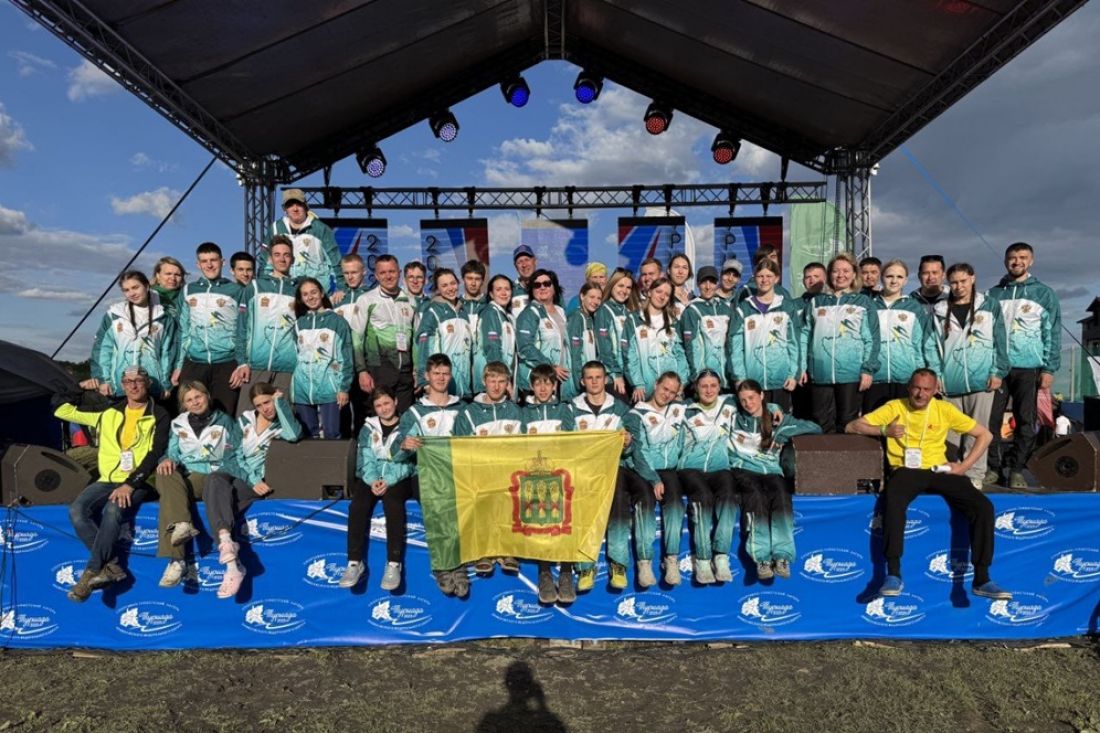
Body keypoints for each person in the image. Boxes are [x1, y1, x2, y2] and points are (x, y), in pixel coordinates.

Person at [846, 368, 1011, 601]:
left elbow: (985, 435)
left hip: (938, 468)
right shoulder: (895, 407)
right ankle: (893, 573)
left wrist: (963, 466)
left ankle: (982, 578)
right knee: (893, 500)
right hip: (906, 470)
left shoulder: (944, 409)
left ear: (935, 391)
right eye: (916, 388)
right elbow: (852, 426)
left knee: (983, 506)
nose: (920, 394)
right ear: (909, 387)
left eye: (926, 389)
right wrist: (883, 430)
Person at [56, 366, 169, 602]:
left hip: (141, 480)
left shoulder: (159, 414)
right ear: (122, 385)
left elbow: (155, 452)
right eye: (128, 381)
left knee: (112, 509)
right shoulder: (109, 411)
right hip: (108, 479)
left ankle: (90, 573)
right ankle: (109, 566)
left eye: (138, 381)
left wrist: (130, 484)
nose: (133, 386)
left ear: (147, 384)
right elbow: (60, 410)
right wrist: (79, 388)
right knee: (77, 510)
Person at [203, 383, 303, 599]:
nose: (265, 408)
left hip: (257, 479)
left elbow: (294, 435)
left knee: (223, 500)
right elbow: (233, 454)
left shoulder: (283, 422)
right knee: (214, 480)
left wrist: (280, 404)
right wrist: (252, 478)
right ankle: (228, 548)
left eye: (267, 402)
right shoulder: (245, 420)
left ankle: (232, 567)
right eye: (259, 405)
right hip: (240, 472)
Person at [986, 242, 1062, 489]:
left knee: (1026, 422)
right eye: (1012, 257)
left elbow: (1052, 332)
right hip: (998, 368)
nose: (1017, 261)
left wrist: (1049, 368)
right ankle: (994, 468)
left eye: (1022, 257)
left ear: (1031, 261)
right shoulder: (993, 294)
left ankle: (1016, 468)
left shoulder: (1044, 294)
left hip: (1029, 368)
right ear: (1005, 261)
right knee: (991, 420)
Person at [729, 379, 820, 580]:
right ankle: (762, 557)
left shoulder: (778, 419)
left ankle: (782, 556)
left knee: (781, 495)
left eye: (752, 398)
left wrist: (783, 430)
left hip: (771, 469)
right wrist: (771, 405)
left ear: (761, 395)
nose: (748, 403)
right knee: (756, 497)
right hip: (743, 468)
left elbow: (815, 428)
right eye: (743, 400)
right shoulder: (734, 415)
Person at [393, 354, 467, 597]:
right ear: (427, 376)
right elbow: (396, 448)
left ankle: (458, 564)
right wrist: (405, 444)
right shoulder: (415, 412)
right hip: (426, 475)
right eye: (436, 373)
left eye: (445, 373)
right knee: (438, 508)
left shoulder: (462, 408)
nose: (441, 378)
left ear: (451, 375)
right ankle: (443, 566)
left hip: (456, 473)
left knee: (463, 507)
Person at [153, 381, 237, 588]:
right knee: (164, 472)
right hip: (187, 472)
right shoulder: (178, 423)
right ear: (184, 404)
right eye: (189, 400)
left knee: (170, 499)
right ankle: (182, 525)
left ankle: (176, 560)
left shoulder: (225, 421)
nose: (195, 402)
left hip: (211, 472)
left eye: (198, 397)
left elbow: (235, 452)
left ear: (207, 396)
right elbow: (172, 451)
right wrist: (168, 459)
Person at [934, 263, 1009, 488]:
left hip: (982, 381)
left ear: (973, 279)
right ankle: (951, 472)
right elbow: (931, 344)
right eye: (954, 283)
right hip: (950, 381)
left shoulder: (989, 305)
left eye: (963, 281)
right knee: (950, 432)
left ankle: (975, 474)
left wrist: (998, 372)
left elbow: (1000, 342)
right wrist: (937, 374)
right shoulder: (939, 309)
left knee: (977, 429)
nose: (959, 286)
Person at [340, 387, 418, 592]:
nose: (384, 409)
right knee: (358, 505)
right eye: (379, 406)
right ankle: (354, 562)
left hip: (398, 478)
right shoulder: (368, 428)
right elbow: (366, 459)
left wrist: (388, 480)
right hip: (372, 477)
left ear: (395, 402)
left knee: (393, 503)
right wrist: (373, 480)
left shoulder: (408, 425)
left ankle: (394, 563)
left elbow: (409, 463)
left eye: (387, 403)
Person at [570, 361, 633, 590]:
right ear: (582, 381)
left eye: (598, 377)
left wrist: (627, 444)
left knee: (619, 505)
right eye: (590, 377)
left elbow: (630, 445)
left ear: (606, 380)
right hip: (585, 469)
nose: (594, 381)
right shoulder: (572, 408)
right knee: (583, 509)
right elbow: (567, 444)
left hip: (613, 468)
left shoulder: (620, 408)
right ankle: (585, 566)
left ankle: (618, 564)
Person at [456, 361, 524, 577]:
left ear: (508, 384)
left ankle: (507, 550)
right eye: (492, 381)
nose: (496, 386)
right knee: (481, 499)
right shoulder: (469, 412)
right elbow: (460, 447)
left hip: (508, 475)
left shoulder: (516, 412)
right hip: (481, 475)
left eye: (501, 381)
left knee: (511, 498)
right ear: (484, 381)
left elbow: (525, 446)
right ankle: (484, 552)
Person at [802, 253, 880, 433]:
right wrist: (802, 366)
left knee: (847, 423)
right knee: (821, 422)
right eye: (836, 271)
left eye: (846, 271)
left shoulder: (863, 302)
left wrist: (868, 369)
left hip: (851, 374)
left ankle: (847, 453)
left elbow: (872, 338)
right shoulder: (817, 302)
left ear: (854, 274)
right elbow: (805, 335)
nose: (840, 275)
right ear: (829, 274)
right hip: (820, 373)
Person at [624, 371, 687, 587]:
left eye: (672, 392)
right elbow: (638, 452)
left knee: (676, 503)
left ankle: (671, 559)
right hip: (643, 469)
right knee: (644, 503)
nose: (667, 394)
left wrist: (771, 407)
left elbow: (712, 404)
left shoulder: (680, 409)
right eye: (664, 389)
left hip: (669, 470)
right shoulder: (636, 414)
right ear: (656, 384)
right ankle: (644, 561)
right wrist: (653, 479)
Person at [521, 364, 578, 604]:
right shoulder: (523, 412)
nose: (543, 389)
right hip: (534, 475)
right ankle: (544, 572)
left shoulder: (565, 409)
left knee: (567, 516)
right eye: (538, 384)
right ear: (531, 387)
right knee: (540, 517)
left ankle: (566, 572)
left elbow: (572, 441)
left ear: (555, 386)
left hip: (561, 473)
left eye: (547, 383)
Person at [677, 370, 739, 584]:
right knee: (702, 497)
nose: (709, 390)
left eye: (713, 385)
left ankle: (721, 556)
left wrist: (775, 409)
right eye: (704, 386)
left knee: (729, 495)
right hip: (691, 467)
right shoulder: (684, 409)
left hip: (720, 467)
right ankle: (703, 559)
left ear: (720, 387)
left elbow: (756, 401)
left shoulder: (730, 403)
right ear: (696, 388)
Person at [172, 242, 244, 413]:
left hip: (226, 363)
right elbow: (183, 331)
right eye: (204, 261)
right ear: (198, 264)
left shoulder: (236, 291)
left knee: (224, 414)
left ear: (222, 262)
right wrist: (179, 366)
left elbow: (244, 330)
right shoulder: (188, 290)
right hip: (194, 362)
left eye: (213, 260)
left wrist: (242, 363)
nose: (209, 265)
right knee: (190, 414)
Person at [232, 235, 298, 416]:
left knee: (283, 418)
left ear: (292, 259)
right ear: (270, 258)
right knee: (246, 417)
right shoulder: (255, 287)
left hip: (287, 367)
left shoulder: (298, 290)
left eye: (286, 255)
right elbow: (242, 328)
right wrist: (242, 362)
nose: (282, 259)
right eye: (277, 254)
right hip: (256, 365)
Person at [87, 270, 176, 400]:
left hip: (152, 387)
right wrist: (103, 380)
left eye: (135, 287)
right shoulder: (114, 315)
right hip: (118, 387)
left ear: (146, 286)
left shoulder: (164, 317)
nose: (132, 293)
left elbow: (167, 354)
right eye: (126, 290)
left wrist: (165, 384)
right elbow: (102, 350)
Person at [866, 259, 941, 413]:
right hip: (874, 379)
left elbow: (924, 344)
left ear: (906, 280)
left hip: (906, 379)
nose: (894, 281)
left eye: (899, 277)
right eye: (889, 276)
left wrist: (929, 373)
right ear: (881, 277)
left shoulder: (914, 307)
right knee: (874, 424)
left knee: (904, 424)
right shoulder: (869, 306)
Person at [728, 259, 800, 411]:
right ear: (754, 278)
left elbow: (794, 344)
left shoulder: (787, 307)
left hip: (781, 380)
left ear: (776, 278)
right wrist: (739, 377)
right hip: (753, 382)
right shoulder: (743, 308)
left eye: (769, 276)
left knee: (780, 420)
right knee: (756, 422)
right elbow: (735, 347)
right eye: (760, 276)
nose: (764, 280)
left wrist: (793, 374)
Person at [291, 277, 354, 438]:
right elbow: (296, 356)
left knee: (332, 434)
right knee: (308, 436)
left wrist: (343, 388)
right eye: (305, 294)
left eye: (313, 292)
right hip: (303, 389)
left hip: (330, 388)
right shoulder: (299, 324)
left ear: (322, 293)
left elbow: (346, 357)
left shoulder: (337, 321)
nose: (310, 297)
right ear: (301, 298)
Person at [359, 254, 417, 414]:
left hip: (405, 373)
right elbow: (357, 339)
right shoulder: (366, 300)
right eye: (383, 273)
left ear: (399, 273)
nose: (388, 276)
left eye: (392, 271)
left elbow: (416, 340)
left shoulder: (411, 300)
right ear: (376, 275)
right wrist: (362, 371)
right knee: (380, 420)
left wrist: (417, 369)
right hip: (378, 371)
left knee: (404, 420)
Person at [258, 188, 340, 292]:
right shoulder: (275, 229)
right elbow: (264, 264)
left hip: (315, 294)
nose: (295, 209)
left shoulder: (321, 229)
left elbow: (335, 263)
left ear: (306, 206)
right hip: (284, 293)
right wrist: (263, 289)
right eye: (290, 205)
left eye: (299, 204)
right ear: (285, 209)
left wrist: (340, 289)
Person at [623, 277, 688, 402]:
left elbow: (680, 355)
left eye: (667, 294)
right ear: (649, 292)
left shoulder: (673, 322)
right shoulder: (634, 320)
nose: (662, 297)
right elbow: (630, 356)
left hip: (671, 391)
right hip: (646, 390)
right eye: (658, 291)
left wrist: (681, 382)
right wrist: (637, 383)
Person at [415, 268, 474, 400]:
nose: (450, 288)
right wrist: (424, 382)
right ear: (438, 289)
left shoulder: (463, 311)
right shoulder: (432, 311)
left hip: (464, 387)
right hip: (441, 387)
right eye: (444, 285)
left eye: (453, 283)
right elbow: (424, 349)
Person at [331, 254, 372, 433]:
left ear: (363, 272)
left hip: (365, 365)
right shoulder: (336, 300)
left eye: (354, 272)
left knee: (365, 413)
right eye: (346, 273)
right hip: (341, 368)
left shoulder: (372, 296)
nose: (350, 277)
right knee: (343, 415)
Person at [515, 269, 569, 399]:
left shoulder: (561, 311)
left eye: (547, 283)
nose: (542, 287)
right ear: (532, 290)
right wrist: (550, 367)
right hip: (535, 381)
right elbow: (525, 348)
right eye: (537, 285)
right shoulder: (529, 314)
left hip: (559, 380)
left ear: (554, 287)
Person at [679, 266, 733, 391]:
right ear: (698, 284)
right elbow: (691, 348)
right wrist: (698, 377)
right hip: (706, 381)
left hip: (728, 379)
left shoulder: (727, 307)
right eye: (704, 282)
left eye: (712, 282)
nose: (708, 287)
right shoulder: (692, 310)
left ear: (717, 283)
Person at [594, 269, 639, 398]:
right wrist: (616, 374)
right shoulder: (604, 311)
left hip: (630, 376)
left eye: (628, 287)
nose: (624, 291)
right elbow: (604, 348)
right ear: (612, 285)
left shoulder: (629, 311)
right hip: (614, 378)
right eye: (620, 285)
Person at [474, 275, 517, 395]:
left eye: (507, 289)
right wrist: (501, 378)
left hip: (500, 380)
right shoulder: (491, 313)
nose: (503, 293)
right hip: (491, 382)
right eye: (498, 289)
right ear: (491, 294)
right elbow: (492, 347)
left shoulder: (507, 316)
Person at [562, 283, 601, 401]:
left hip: (587, 379)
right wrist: (581, 382)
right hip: (576, 384)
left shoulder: (590, 318)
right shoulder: (576, 318)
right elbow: (575, 355)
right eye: (592, 297)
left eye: (599, 298)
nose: (595, 301)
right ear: (582, 296)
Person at [511, 245, 537, 312]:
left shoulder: (548, 287)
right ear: (515, 266)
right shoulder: (509, 290)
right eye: (519, 262)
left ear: (535, 261)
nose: (524, 265)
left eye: (527, 260)